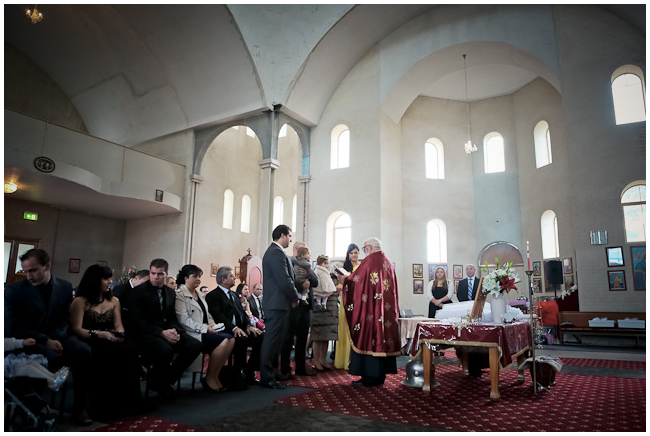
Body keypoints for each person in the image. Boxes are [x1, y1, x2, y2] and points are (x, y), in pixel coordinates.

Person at [5, 248, 93, 426]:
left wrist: (57, 339)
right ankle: (33, 409)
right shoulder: (14, 290)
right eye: (26, 271)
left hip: (56, 336)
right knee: (49, 357)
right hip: (29, 340)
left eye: (33, 270)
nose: (29, 276)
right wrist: (45, 341)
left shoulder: (65, 287)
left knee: (84, 351)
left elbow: (64, 319)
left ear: (47, 266)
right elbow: (13, 327)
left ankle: (80, 407)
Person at [69, 264, 146, 420]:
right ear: (94, 280)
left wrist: (120, 335)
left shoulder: (114, 301)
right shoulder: (80, 301)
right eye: (106, 278)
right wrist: (101, 334)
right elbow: (77, 329)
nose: (110, 281)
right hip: (89, 337)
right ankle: (99, 405)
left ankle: (124, 402)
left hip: (109, 335)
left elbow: (118, 325)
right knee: (107, 351)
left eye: (110, 278)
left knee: (130, 348)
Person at [129, 258, 202, 398]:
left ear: (166, 274)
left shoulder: (170, 292)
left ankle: (162, 380)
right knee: (166, 350)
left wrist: (174, 330)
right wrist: (162, 333)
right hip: (147, 333)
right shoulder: (138, 292)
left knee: (195, 345)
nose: (156, 277)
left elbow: (172, 317)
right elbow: (138, 321)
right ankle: (161, 383)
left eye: (160, 274)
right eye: (153, 273)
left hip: (166, 330)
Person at [337, 237, 400, 387]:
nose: (364, 252)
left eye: (364, 248)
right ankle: (379, 376)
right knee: (381, 339)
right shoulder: (388, 262)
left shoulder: (370, 261)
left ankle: (370, 377)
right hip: (385, 312)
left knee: (369, 338)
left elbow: (356, 281)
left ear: (370, 247)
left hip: (371, 311)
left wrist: (345, 279)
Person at [259, 225, 307, 389]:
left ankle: (272, 373)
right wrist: (295, 297)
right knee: (272, 341)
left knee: (276, 341)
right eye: (289, 236)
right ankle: (267, 377)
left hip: (279, 303)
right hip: (276, 303)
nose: (291, 239)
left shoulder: (276, 252)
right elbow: (284, 279)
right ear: (282, 235)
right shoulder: (275, 252)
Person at [174, 264, 235, 393]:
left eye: (199, 276)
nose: (198, 279)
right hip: (193, 332)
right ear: (185, 278)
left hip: (205, 330)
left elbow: (207, 314)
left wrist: (213, 325)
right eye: (194, 276)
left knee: (231, 339)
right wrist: (206, 328)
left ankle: (214, 375)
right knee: (223, 341)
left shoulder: (199, 294)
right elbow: (184, 320)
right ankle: (209, 377)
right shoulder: (180, 295)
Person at [206, 267, 263, 387]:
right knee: (241, 340)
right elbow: (219, 316)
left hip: (239, 328)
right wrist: (234, 328)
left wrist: (248, 325)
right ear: (223, 279)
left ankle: (249, 370)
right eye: (231, 276)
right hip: (225, 330)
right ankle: (237, 374)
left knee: (260, 336)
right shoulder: (213, 295)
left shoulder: (234, 295)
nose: (234, 278)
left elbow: (241, 313)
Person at [280, 243, 318, 379]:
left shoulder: (308, 265)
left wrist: (310, 277)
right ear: (296, 250)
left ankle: (301, 367)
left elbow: (315, 282)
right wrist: (300, 284)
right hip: (293, 306)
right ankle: (285, 368)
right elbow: (286, 281)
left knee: (302, 339)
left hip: (306, 307)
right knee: (288, 338)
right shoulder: (289, 262)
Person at [4, 338, 69, 391]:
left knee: (32, 362)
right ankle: (52, 383)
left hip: (7, 366)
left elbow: (4, 343)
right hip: (6, 375)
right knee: (27, 368)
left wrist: (21, 342)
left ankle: (53, 376)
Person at [310, 255, 340, 371]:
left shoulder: (331, 275)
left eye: (328, 263)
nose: (327, 265)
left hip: (330, 310)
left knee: (326, 336)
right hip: (319, 310)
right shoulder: (316, 273)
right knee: (318, 336)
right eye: (325, 263)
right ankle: (316, 361)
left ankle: (323, 360)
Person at [334, 243, 360, 370]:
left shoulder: (362, 267)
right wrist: (342, 277)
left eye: (356, 252)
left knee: (355, 328)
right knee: (344, 328)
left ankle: (354, 360)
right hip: (345, 299)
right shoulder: (343, 267)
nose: (354, 255)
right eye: (351, 253)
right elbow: (341, 284)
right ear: (348, 254)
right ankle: (343, 360)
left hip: (357, 301)